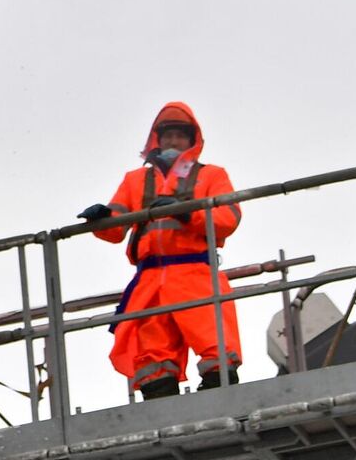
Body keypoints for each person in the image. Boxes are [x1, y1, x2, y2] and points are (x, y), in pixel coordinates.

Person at [77, 102, 242, 399]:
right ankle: (159, 403)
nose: (173, 141)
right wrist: (99, 219)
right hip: (150, 280)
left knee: (214, 342)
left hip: (196, 273)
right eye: (168, 135)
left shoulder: (212, 176)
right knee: (153, 354)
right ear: (157, 139)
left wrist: (185, 213)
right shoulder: (135, 180)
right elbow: (115, 229)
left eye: (180, 135)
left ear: (192, 140)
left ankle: (221, 396)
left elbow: (228, 219)